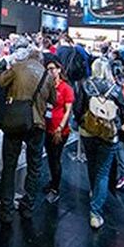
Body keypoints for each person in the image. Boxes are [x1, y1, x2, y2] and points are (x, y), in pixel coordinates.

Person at [0, 44, 56, 223]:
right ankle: (28, 206)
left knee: (9, 165)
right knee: (34, 166)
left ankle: (6, 209)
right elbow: (53, 100)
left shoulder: (17, 67)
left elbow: (1, 82)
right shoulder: (47, 75)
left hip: (15, 121)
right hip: (37, 125)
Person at [74, 58, 124, 229]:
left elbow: (78, 110)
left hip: (87, 132)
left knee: (91, 163)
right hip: (108, 135)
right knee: (103, 171)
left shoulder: (85, 85)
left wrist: (82, 123)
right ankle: (95, 212)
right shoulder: (116, 89)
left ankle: (94, 192)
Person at [42, 59, 74, 204]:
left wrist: (60, 128)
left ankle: (55, 187)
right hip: (46, 127)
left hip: (59, 129)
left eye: (53, 69)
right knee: (50, 157)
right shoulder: (47, 86)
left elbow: (68, 111)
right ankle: (52, 181)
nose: (51, 71)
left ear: (59, 70)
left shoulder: (66, 88)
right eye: (48, 69)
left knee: (55, 158)